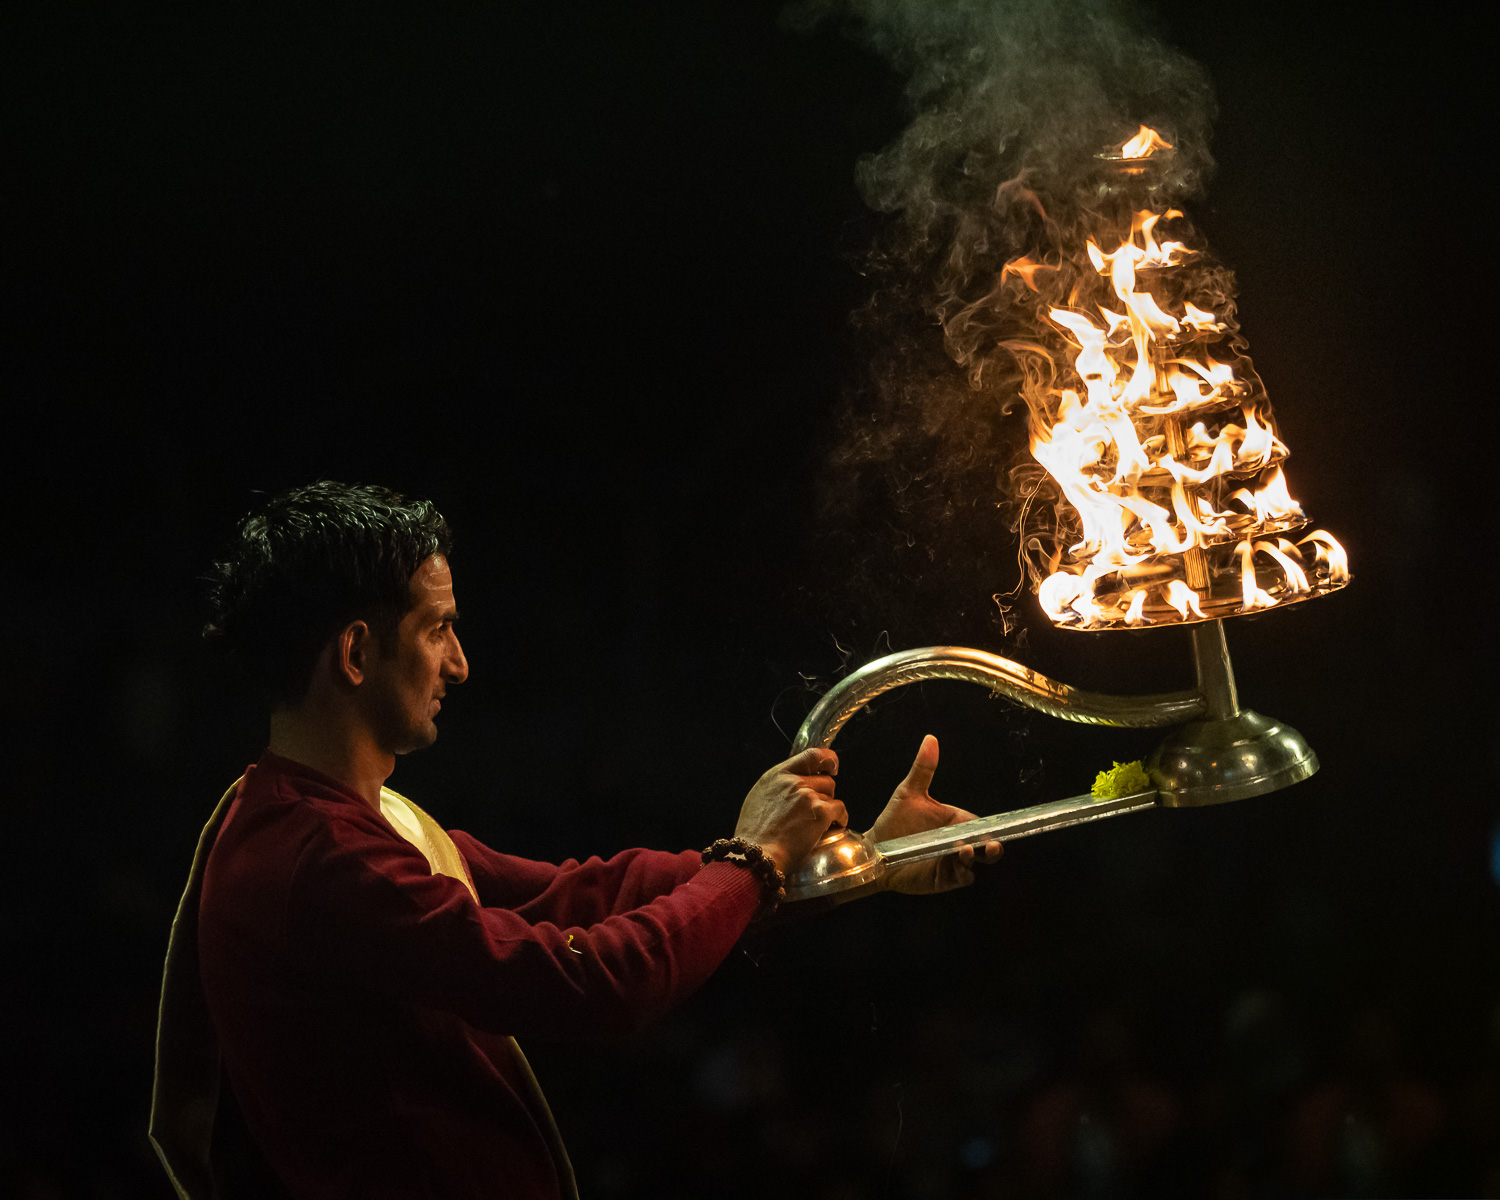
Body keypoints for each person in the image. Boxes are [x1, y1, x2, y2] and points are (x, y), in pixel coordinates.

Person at [149, 481, 1000, 1200]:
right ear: (357, 651)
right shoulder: (317, 857)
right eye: (439, 628)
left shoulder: (348, 819)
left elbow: (583, 894)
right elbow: (585, 982)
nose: (460, 664)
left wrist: (855, 863)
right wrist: (753, 859)